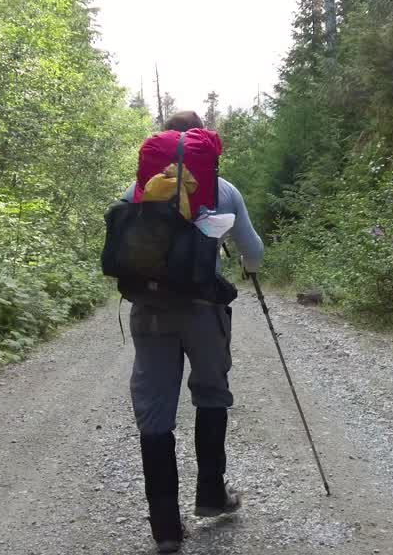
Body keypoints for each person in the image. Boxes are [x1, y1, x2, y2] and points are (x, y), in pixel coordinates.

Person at [121, 111, 264, 553]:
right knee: (211, 394)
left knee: (155, 411)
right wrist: (244, 265)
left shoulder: (140, 189)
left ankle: (165, 528)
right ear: (201, 139)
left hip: (150, 310)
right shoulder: (223, 189)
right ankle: (210, 495)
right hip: (204, 311)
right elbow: (254, 252)